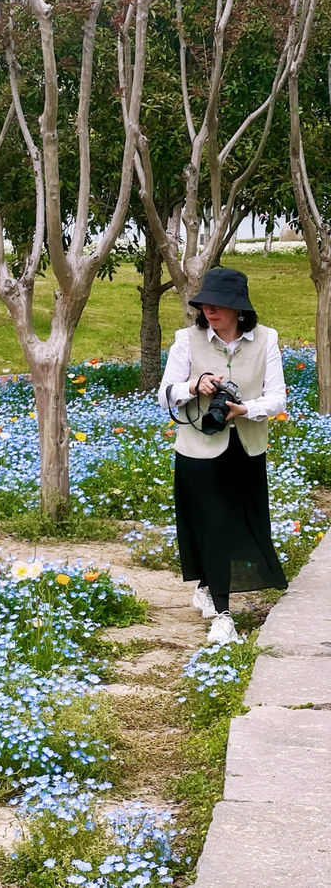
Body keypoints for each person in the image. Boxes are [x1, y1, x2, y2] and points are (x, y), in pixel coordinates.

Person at [158, 267, 288, 645]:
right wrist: (195, 385)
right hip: (198, 451)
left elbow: (277, 397)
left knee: (238, 525)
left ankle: (206, 584)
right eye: (205, 304)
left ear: (239, 309)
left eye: (219, 305)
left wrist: (243, 409)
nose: (210, 310)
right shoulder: (187, 340)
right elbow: (165, 393)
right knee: (211, 524)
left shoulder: (267, 340)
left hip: (246, 449)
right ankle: (223, 613)